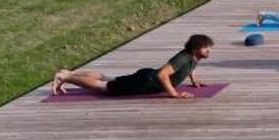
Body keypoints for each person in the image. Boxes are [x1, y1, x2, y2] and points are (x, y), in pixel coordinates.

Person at [54, 34, 213, 98]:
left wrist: (194, 81)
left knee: (108, 78)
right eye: (205, 47)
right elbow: (162, 74)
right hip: (146, 81)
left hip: (146, 76)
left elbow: (189, 68)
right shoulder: (183, 58)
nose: (208, 50)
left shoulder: (192, 57)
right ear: (195, 49)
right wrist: (174, 94)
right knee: (103, 86)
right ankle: (65, 76)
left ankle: (69, 73)